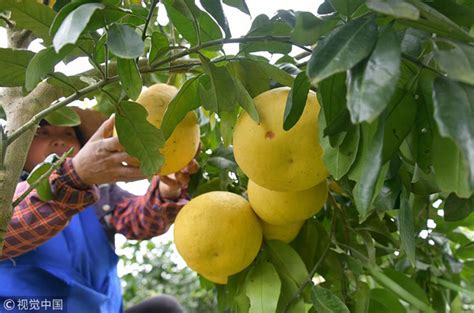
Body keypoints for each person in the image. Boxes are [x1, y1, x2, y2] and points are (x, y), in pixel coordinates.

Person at [0, 108, 198, 313]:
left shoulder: (101, 196)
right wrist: (74, 176)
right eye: (44, 133)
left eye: (68, 134)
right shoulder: (7, 192)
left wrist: (167, 189)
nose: (59, 141)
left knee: (164, 308)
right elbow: (9, 226)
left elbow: (139, 220)